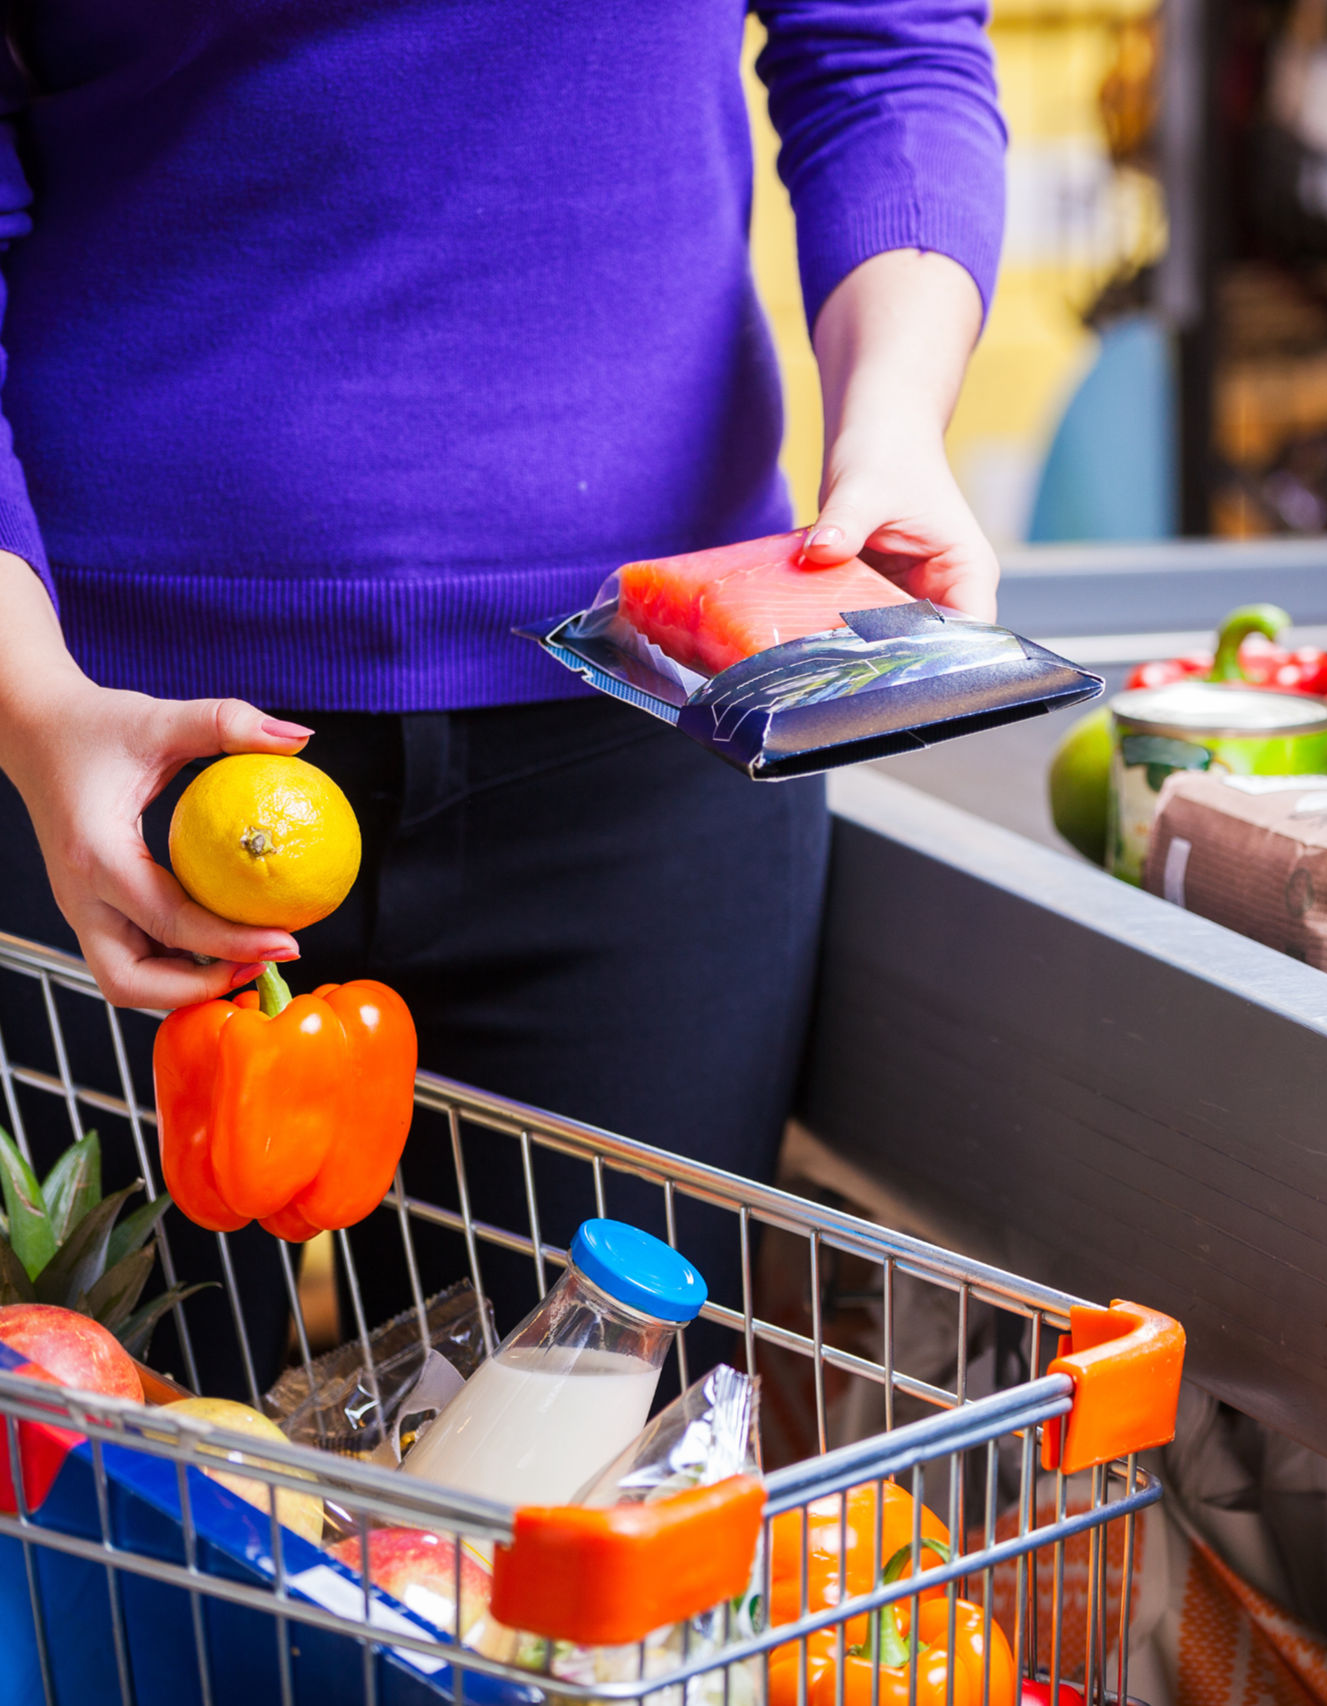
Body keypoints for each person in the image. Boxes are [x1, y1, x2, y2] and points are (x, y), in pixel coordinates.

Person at [0, 5, 1007, 1391]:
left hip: (651, 728)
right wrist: (28, 700)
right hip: (93, 739)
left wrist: (892, 424)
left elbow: (886, 43)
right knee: (99, 1528)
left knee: (582, 1504)